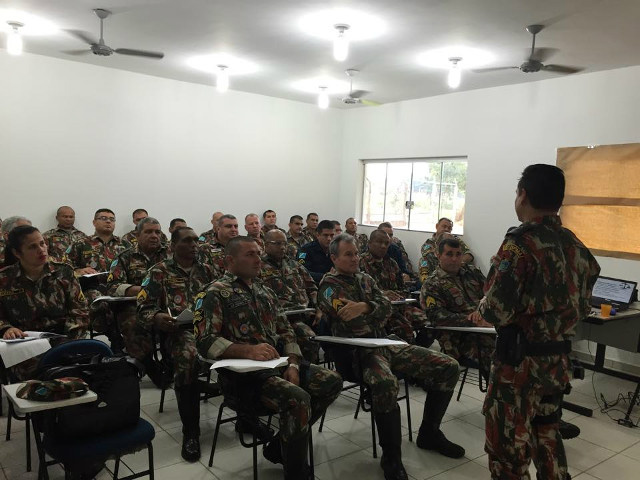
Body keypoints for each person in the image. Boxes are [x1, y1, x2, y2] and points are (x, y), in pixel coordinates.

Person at [479, 164, 600, 480]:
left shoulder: (520, 244)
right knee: (547, 437)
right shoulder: (574, 245)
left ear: (523, 195)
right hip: (556, 363)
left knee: (507, 453)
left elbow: (495, 310)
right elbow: (583, 305)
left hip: (518, 366)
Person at [318, 234, 465, 480]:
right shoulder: (328, 286)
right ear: (334, 258)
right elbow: (348, 317)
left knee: (448, 366)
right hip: (358, 353)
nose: (355, 258)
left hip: (386, 344)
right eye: (348, 255)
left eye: (356, 253)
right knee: (386, 383)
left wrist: (365, 307)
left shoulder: (365, 279)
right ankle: (392, 457)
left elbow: (387, 308)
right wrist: (374, 308)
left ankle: (429, 433)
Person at [193, 236, 342, 479]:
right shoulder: (213, 293)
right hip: (243, 377)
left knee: (332, 380)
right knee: (299, 398)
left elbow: (286, 331)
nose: (257, 259)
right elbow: (204, 341)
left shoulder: (264, 291)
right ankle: (296, 472)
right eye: (249, 254)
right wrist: (246, 350)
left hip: (277, 365)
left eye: (258, 253)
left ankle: (279, 445)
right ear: (230, 260)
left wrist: (293, 363)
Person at [137, 227, 215, 462]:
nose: (194, 245)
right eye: (187, 241)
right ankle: (191, 431)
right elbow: (143, 308)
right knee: (188, 358)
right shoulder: (159, 272)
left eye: (196, 240)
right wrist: (158, 318)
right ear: (172, 246)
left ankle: (246, 417)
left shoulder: (208, 270)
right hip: (178, 332)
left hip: (209, 328)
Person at [0, 225, 88, 379]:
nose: (41, 250)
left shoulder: (64, 272)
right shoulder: (5, 279)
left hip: (63, 337)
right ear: (16, 253)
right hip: (23, 343)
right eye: (32, 247)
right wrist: (6, 328)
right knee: (32, 376)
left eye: (42, 243)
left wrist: (68, 341)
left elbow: (80, 312)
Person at [106, 217, 170, 385]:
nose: (154, 235)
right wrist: (143, 290)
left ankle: (173, 363)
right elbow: (113, 286)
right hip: (136, 305)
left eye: (157, 231)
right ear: (137, 234)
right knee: (132, 323)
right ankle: (149, 365)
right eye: (148, 232)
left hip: (168, 303)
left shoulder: (170, 254)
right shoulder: (125, 257)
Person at [420, 237, 493, 373]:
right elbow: (436, 316)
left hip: (487, 328)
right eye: (449, 254)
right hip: (459, 338)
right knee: (500, 354)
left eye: (458, 254)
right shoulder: (432, 284)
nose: (454, 259)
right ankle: (497, 392)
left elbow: (490, 293)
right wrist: (471, 320)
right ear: (438, 255)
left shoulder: (471, 272)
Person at [64, 209, 130, 348]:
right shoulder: (81, 243)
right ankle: (115, 337)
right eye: (103, 218)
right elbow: (65, 266)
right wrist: (78, 270)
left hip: (118, 287)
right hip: (93, 288)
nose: (108, 221)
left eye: (112, 219)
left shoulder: (125, 245)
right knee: (99, 301)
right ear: (94, 222)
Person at [260, 229, 320, 363]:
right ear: (266, 244)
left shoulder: (294, 265)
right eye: (277, 244)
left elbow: (312, 288)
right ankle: (302, 372)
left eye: (284, 244)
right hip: (279, 319)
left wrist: (318, 307)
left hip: (305, 314)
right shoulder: (258, 267)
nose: (282, 247)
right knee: (308, 338)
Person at [359, 230, 425, 343]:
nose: (383, 246)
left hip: (399, 307)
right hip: (378, 310)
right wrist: (384, 295)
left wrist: (398, 295)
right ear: (369, 243)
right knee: (405, 329)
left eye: (386, 243)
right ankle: (409, 354)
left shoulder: (392, 263)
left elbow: (404, 289)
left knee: (431, 323)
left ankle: (420, 349)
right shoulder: (360, 262)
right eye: (379, 242)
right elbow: (361, 293)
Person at [419, 218, 474, 282]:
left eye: (449, 228)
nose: (446, 229)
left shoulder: (455, 239)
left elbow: (469, 255)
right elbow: (434, 259)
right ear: (437, 226)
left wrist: (457, 263)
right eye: (444, 226)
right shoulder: (428, 244)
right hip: (437, 275)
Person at [197, 214, 239, 279]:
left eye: (236, 226)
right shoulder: (205, 244)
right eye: (228, 226)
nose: (233, 229)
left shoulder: (243, 246)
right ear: (218, 228)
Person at [297, 219, 335, 284]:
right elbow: (303, 272)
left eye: (332, 235)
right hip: (313, 286)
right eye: (325, 235)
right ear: (318, 235)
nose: (329, 239)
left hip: (333, 285)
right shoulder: (305, 250)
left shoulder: (336, 249)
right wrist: (326, 276)